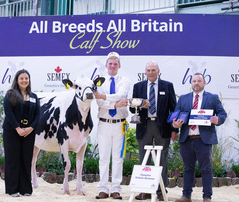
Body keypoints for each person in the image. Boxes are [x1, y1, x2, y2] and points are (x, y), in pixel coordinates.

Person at [173, 73, 227, 202]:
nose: (196, 83)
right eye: (194, 81)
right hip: (186, 138)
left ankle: (207, 197)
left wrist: (217, 119)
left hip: (203, 139)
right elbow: (175, 115)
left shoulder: (213, 98)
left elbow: (222, 114)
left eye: (199, 81)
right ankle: (186, 196)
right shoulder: (183, 98)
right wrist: (175, 124)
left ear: (204, 83)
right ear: (191, 83)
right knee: (188, 169)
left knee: (206, 169)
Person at [130, 61, 178, 201]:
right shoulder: (138, 86)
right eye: (148, 70)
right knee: (144, 159)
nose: (150, 73)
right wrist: (140, 105)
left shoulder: (167, 86)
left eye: (153, 70)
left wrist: (175, 129)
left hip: (162, 127)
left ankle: (160, 191)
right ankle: (144, 190)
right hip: (144, 126)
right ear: (145, 72)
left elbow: (173, 109)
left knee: (162, 158)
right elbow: (132, 109)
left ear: (158, 71)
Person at [94, 52, 130, 200]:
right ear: (106, 66)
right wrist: (114, 104)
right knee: (103, 158)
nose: (113, 66)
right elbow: (99, 103)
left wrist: (104, 97)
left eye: (115, 64)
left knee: (118, 158)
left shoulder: (125, 80)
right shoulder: (99, 83)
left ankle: (116, 189)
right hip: (104, 124)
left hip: (120, 125)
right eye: (110, 64)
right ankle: (102, 189)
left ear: (119, 66)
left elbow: (121, 96)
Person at [2, 69, 40, 197]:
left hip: (29, 133)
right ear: (17, 80)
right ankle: (12, 189)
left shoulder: (34, 97)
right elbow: (8, 113)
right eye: (21, 78)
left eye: (26, 78)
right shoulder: (10, 94)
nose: (24, 80)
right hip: (12, 132)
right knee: (13, 160)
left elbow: (37, 115)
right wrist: (17, 128)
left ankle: (26, 189)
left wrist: (31, 128)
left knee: (26, 160)